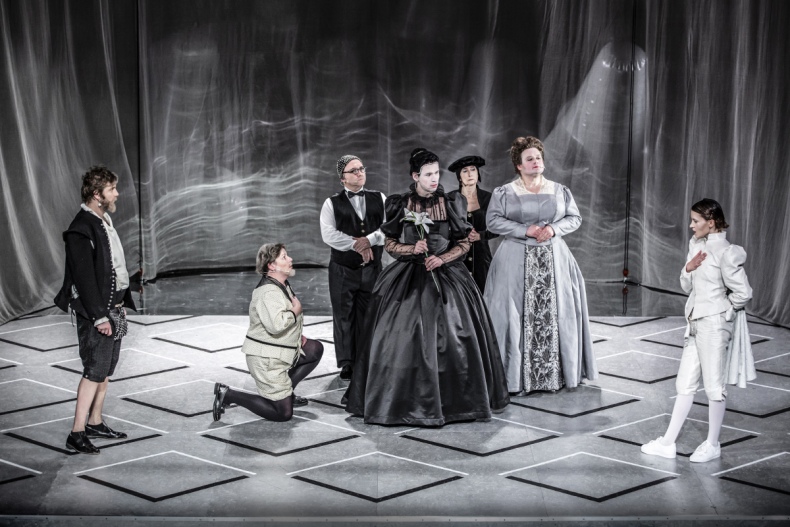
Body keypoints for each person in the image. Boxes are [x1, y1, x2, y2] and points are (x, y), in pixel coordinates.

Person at [344, 148, 509, 426]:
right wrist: (412, 249)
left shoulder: (452, 201)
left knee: (456, 333)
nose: (434, 179)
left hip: (448, 275)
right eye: (428, 174)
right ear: (415, 176)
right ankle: (402, 401)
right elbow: (390, 243)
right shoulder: (400, 203)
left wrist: (442, 258)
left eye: (436, 173)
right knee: (400, 335)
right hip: (409, 276)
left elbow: (464, 242)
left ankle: (458, 401)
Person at [642, 199, 753, 463]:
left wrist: (723, 312)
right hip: (693, 323)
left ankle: (713, 444)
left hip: (714, 325)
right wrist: (688, 269)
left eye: (696, 221)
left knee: (714, 387)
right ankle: (667, 443)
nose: (691, 225)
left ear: (711, 222)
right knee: (685, 384)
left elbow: (743, 293)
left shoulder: (726, 252)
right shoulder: (696, 246)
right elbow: (687, 287)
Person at [484, 136, 596, 394]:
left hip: (554, 259)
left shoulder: (559, 190)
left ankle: (557, 374)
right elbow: (493, 222)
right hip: (515, 260)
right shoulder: (505, 192)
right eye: (529, 159)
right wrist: (526, 230)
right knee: (513, 315)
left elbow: (574, 218)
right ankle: (514, 377)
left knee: (557, 313)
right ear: (519, 165)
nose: (536, 162)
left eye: (538, 157)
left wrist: (553, 229)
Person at [54, 166, 135, 454]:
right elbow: (85, 279)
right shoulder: (81, 228)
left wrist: (120, 303)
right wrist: (100, 316)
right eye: (112, 189)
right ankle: (76, 432)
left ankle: (95, 422)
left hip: (112, 308)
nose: (117, 193)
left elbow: (112, 267)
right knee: (93, 372)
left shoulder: (103, 220)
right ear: (97, 195)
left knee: (104, 371)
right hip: (96, 314)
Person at [213, 244, 324, 422]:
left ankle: (287, 393)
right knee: (283, 414)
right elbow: (276, 325)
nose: (290, 259)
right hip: (266, 359)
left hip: (278, 351)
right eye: (284, 257)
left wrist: (296, 336)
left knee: (314, 349)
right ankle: (228, 394)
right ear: (271, 265)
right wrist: (295, 311)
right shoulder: (268, 292)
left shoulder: (280, 284)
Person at [320, 155, 386, 381]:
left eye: (361, 168)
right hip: (342, 270)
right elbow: (328, 235)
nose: (359, 173)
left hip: (372, 269)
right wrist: (357, 245)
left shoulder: (380, 198)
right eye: (353, 170)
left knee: (370, 314)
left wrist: (370, 239)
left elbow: (389, 227)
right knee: (343, 316)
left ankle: (367, 358)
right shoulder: (331, 203)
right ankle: (347, 362)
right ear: (342, 179)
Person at [446, 155, 498, 292]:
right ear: (459, 176)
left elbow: (500, 226)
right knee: (458, 295)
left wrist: (481, 235)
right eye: (465, 171)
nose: (470, 174)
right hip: (455, 257)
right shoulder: (449, 199)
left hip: (481, 257)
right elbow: (441, 227)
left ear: (478, 173)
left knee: (483, 294)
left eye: (473, 169)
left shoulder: (489, 198)